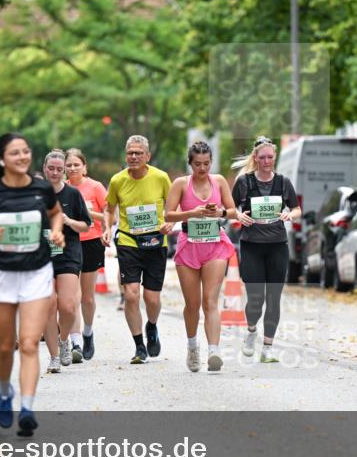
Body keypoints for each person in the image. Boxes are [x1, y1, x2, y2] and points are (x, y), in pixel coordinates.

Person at [0, 133, 64, 436]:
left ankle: (28, 409)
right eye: (14, 153)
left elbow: (56, 213)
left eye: (26, 151)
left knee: (29, 343)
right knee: (6, 345)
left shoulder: (41, 188)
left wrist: (57, 231)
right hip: (0, 274)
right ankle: (6, 391)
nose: (22, 157)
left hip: (36, 272)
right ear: (2, 160)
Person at [165, 141, 237, 372]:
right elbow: (168, 214)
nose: (202, 169)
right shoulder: (180, 184)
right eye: (197, 164)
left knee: (210, 301)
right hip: (189, 245)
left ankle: (214, 351)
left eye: (206, 163)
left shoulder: (219, 181)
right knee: (192, 304)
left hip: (215, 243)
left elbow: (233, 210)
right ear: (190, 163)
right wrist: (191, 213)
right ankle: (192, 346)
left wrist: (221, 213)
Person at [101, 136, 173, 365]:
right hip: (129, 241)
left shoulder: (161, 177)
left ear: (147, 156)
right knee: (131, 295)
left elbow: (173, 207)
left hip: (155, 242)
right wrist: (106, 227)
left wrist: (168, 223)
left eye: (138, 153)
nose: (133, 157)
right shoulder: (117, 180)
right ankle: (139, 346)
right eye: (130, 153)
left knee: (151, 298)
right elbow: (109, 208)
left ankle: (152, 326)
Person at [232, 136, 302, 363]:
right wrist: (239, 215)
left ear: (275, 157)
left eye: (270, 157)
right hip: (252, 246)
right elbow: (230, 207)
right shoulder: (244, 182)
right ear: (255, 158)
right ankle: (251, 331)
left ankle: (268, 348)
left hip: (277, 246)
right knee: (255, 299)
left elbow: (297, 208)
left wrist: (290, 214)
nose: (266, 161)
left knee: (274, 298)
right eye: (262, 157)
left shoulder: (283, 182)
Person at [40, 150, 91, 373]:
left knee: (68, 306)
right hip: (42, 256)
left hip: (68, 252)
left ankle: (64, 341)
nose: (55, 172)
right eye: (51, 168)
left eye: (59, 169)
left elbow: (86, 225)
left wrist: (69, 221)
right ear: (44, 169)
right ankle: (53, 357)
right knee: (49, 305)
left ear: (64, 171)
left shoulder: (72, 194)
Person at [65, 148, 107, 360]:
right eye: (69, 165)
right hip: (69, 243)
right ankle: (76, 343)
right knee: (72, 296)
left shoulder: (95, 187)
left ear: (84, 167)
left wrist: (85, 211)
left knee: (87, 297)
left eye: (76, 165)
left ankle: (88, 332)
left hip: (91, 242)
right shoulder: (61, 188)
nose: (72, 168)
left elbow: (109, 217)